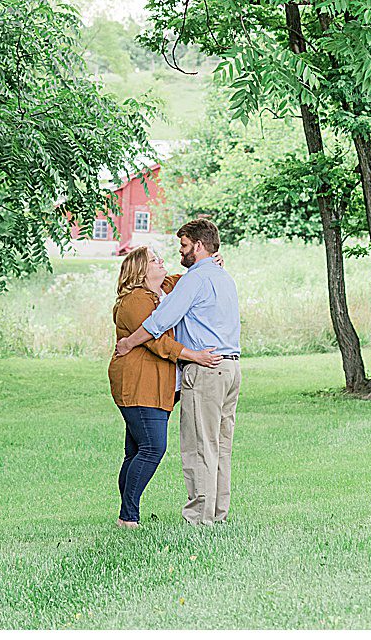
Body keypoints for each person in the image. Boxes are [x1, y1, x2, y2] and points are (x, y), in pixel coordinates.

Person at [115, 218, 242, 527]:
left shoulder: (195, 280)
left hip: (206, 368)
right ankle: (216, 513)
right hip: (230, 367)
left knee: (200, 446)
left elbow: (160, 324)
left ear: (198, 246)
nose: (179, 253)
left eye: (184, 246)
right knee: (220, 447)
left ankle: (200, 518)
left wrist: (129, 342)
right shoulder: (222, 276)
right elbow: (173, 287)